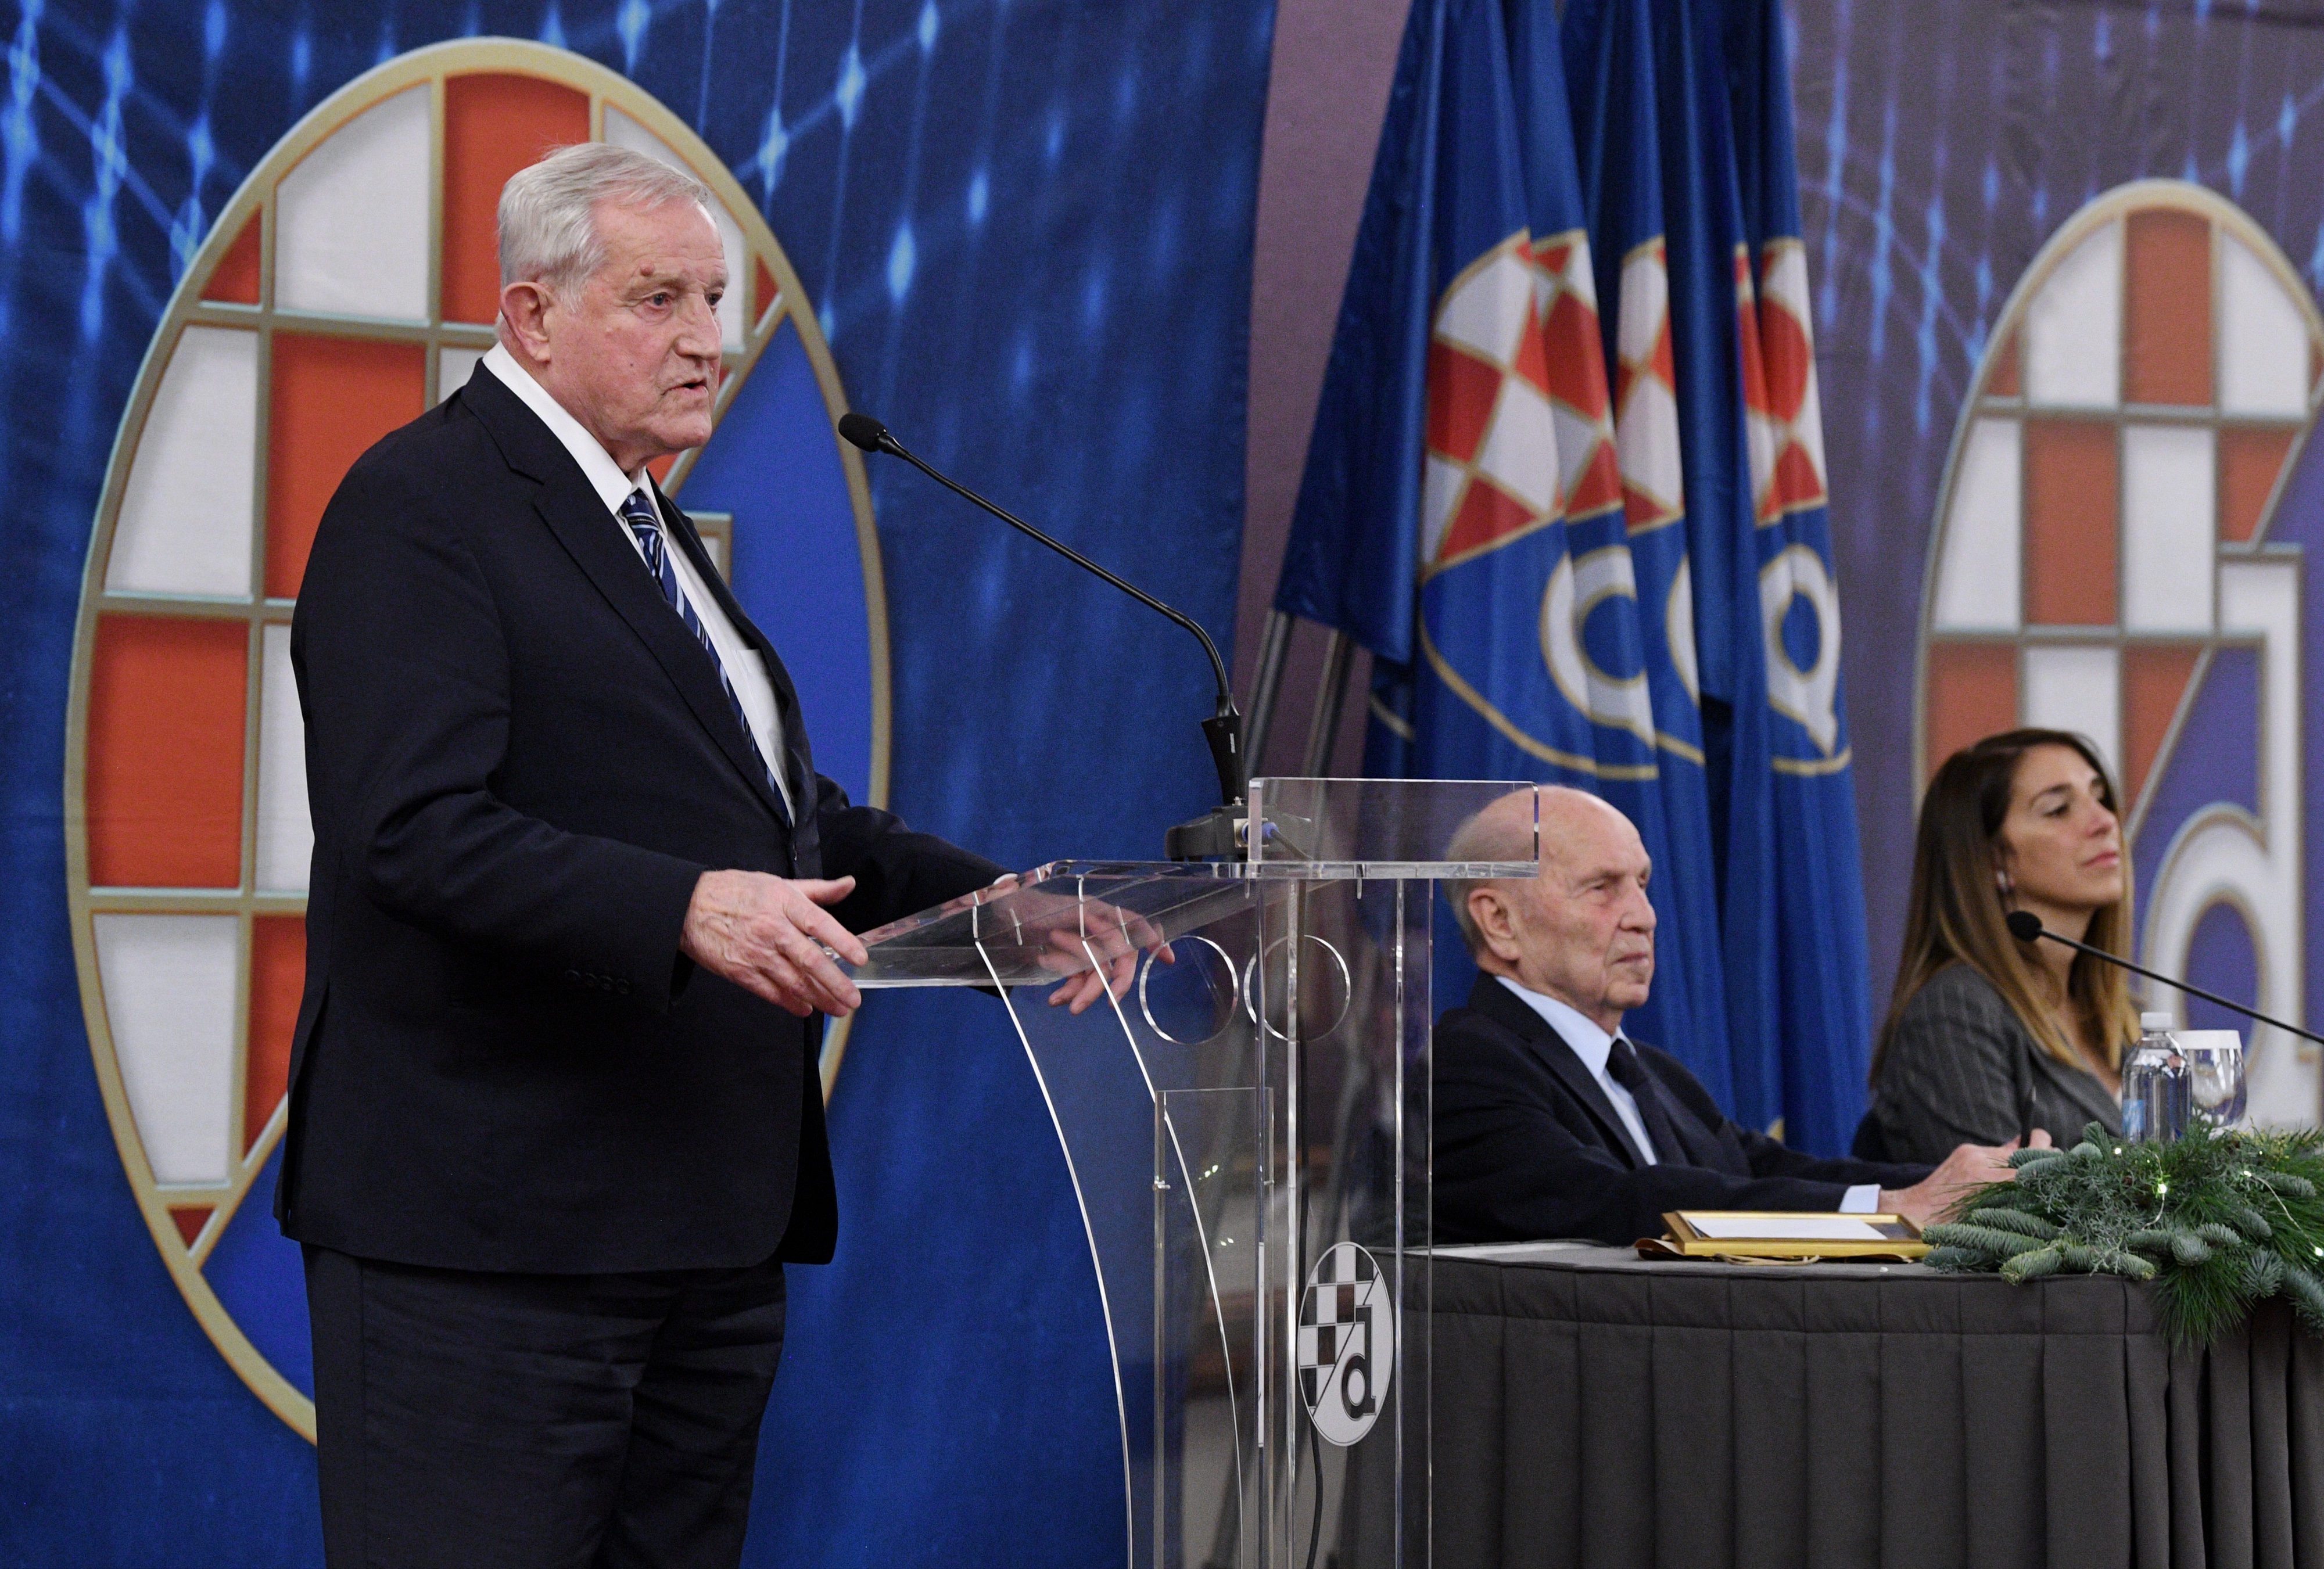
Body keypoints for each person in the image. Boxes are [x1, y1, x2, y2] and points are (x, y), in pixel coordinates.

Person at [278, 144, 1117, 1568]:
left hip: (695, 1235)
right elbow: (410, 829)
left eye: (716, 300)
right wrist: (681, 907)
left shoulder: (642, 523)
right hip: (495, 1247)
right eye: (657, 298)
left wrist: (998, 909)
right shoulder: (422, 504)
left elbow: (775, 819)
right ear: (533, 315)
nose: (706, 339)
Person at [1431, 787, 2029, 1248]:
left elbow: (1770, 1170)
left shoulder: (1653, 1072)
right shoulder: (1466, 1063)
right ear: (1500, 921)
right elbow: (1616, 1201)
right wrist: (1891, 1208)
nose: (1644, 916)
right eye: (1602, 888)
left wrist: (1969, 1185)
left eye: (1642, 883)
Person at [1860, 729, 2135, 1165]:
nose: (2106, 821)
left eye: (2100, 797)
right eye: (2058, 809)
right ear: (1993, 860)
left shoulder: (2126, 1019)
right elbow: (1997, 1202)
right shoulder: (1955, 1012)